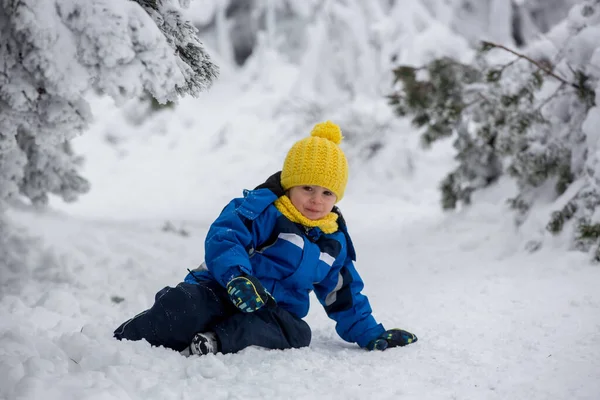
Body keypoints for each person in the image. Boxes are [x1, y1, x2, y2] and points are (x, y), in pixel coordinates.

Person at [114, 121, 418, 356]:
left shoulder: (332, 240)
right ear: (290, 185)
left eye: (327, 192)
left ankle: (214, 340)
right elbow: (226, 237)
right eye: (307, 188)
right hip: (224, 289)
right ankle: (131, 336)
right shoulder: (265, 212)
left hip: (271, 312)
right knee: (190, 306)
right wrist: (236, 277)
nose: (316, 200)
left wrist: (370, 333)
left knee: (298, 334)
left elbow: (343, 294)